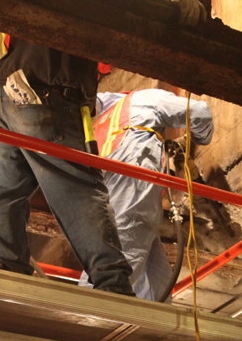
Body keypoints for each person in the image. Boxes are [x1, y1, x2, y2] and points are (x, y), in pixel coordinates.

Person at [0, 0, 205, 294]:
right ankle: (112, 281)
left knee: (6, 191)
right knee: (79, 188)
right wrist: (169, 5)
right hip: (42, 94)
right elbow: (112, 4)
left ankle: (7, 264)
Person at [78, 89, 213, 301]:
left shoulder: (91, 121)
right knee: (110, 278)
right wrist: (194, 141)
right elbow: (199, 113)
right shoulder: (142, 99)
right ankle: (81, 322)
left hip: (104, 202)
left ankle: (153, 332)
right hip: (130, 194)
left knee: (156, 288)